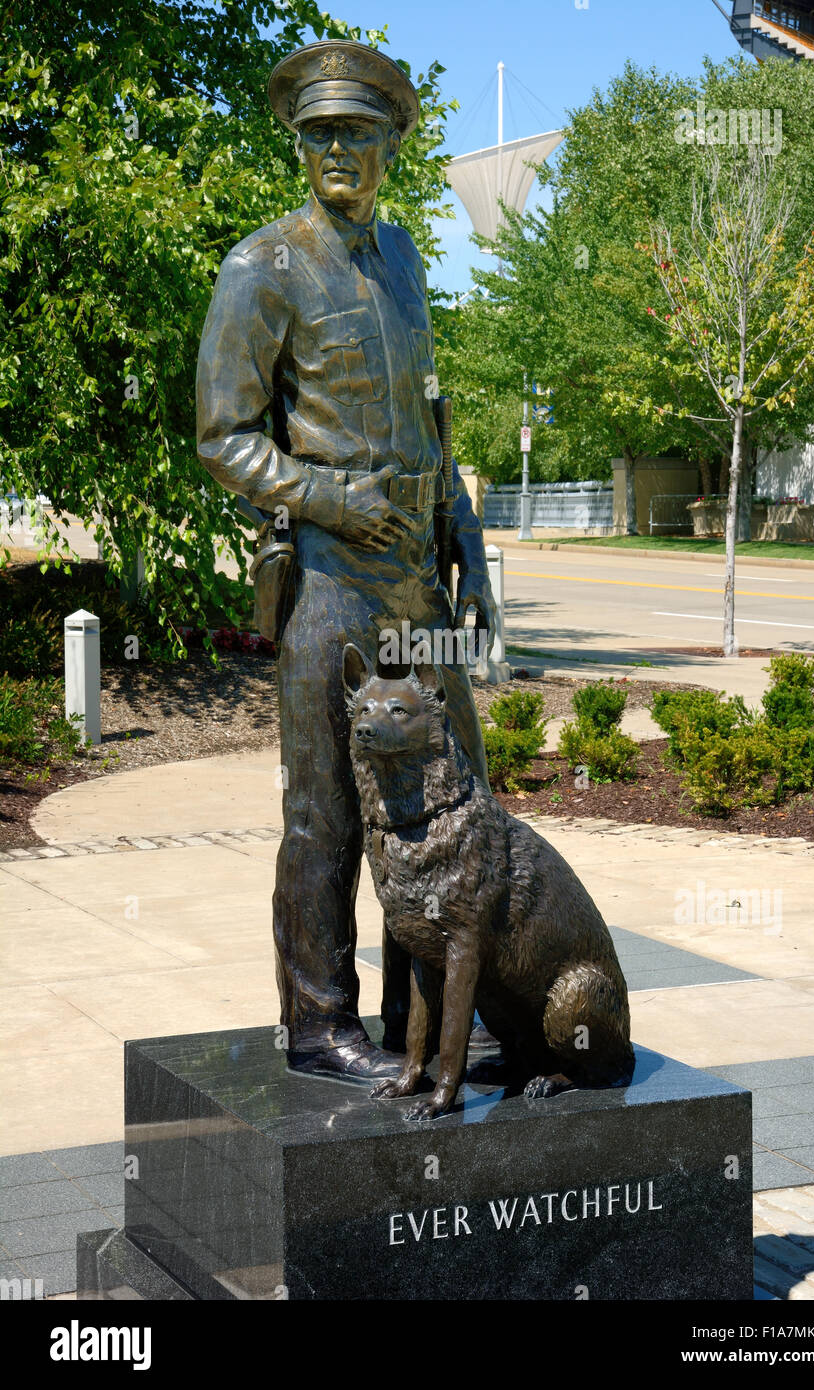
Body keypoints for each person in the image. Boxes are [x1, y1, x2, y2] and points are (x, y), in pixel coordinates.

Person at [196, 40, 493, 1082]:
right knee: (324, 807)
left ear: (389, 146)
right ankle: (319, 1025)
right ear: (298, 144)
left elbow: (427, 427)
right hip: (326, 574)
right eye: (318, 133)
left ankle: (435, 1009)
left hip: (417, 571)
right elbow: (223, 436)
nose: (336, 150)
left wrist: (472, 555)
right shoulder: (259, 266)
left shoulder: (404, 259)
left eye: (355, 133)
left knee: (455, 790)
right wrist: (328, 497)